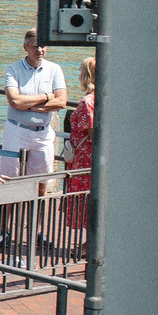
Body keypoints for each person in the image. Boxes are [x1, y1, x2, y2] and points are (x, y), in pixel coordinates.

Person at [1, 29, 67, 174]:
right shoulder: (13, 69)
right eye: (35, 46)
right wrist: (46, 96)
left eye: (42, 46)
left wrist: (29, 106)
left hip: (43, 132)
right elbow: (15, 101)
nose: (39, 50)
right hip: (16, 130)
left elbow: (61, 101)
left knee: (42, 177)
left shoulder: (55, 69)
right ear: (25, 47)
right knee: (10, 175)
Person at [65, 55, 98, 227]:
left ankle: (89, 237)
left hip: (84, 158)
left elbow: (92, 132)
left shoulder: (87, 102)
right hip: (89, 157)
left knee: (84, 196)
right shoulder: (100, 98)